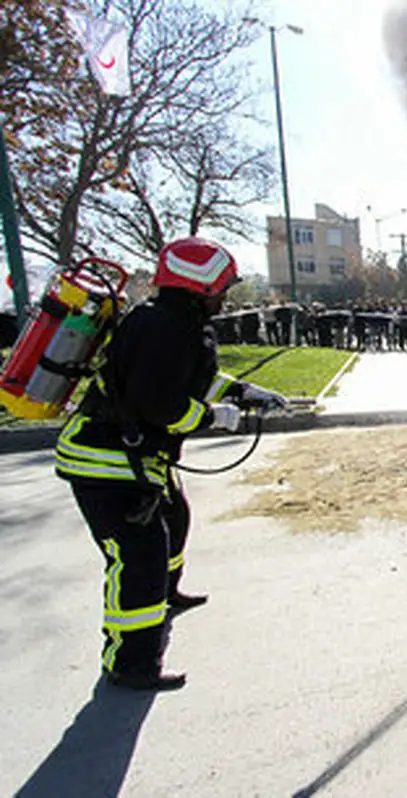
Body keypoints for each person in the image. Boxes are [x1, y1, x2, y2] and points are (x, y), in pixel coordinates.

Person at [55, 237, 287, 691]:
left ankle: (166, 593)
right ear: (199, 286)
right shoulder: (158, 325)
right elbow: (157, 402)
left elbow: (191, 375)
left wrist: (241, 393)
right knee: (138, 557)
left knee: (174, 519)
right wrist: (210, 416)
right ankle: (130, 662)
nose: (226, 295)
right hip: (106, 462)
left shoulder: (182, 322)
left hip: (140, 458)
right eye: (222, 286)